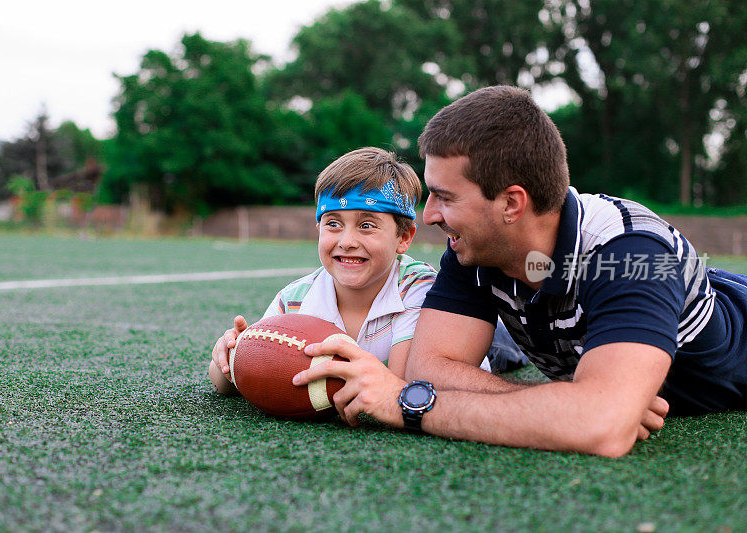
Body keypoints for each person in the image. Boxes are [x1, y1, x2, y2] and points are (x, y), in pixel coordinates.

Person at [292, 86, 747, 457]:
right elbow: (430, 368)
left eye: (445, 197)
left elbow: (601, 429)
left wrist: (408, 406)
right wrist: (571, 404)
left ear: (511, 203)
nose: (429, 215)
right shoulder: (475, 246)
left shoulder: (634, 255)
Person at [209, 147, 527, 395]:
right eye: (333, 224)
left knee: (509, 345)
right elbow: (233, 383)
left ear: (403, 238)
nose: (347, 241)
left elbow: (401, 380)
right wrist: (232, 358)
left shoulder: (420, 289)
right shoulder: (294, 299)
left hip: (480, 342)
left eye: (366, 225)